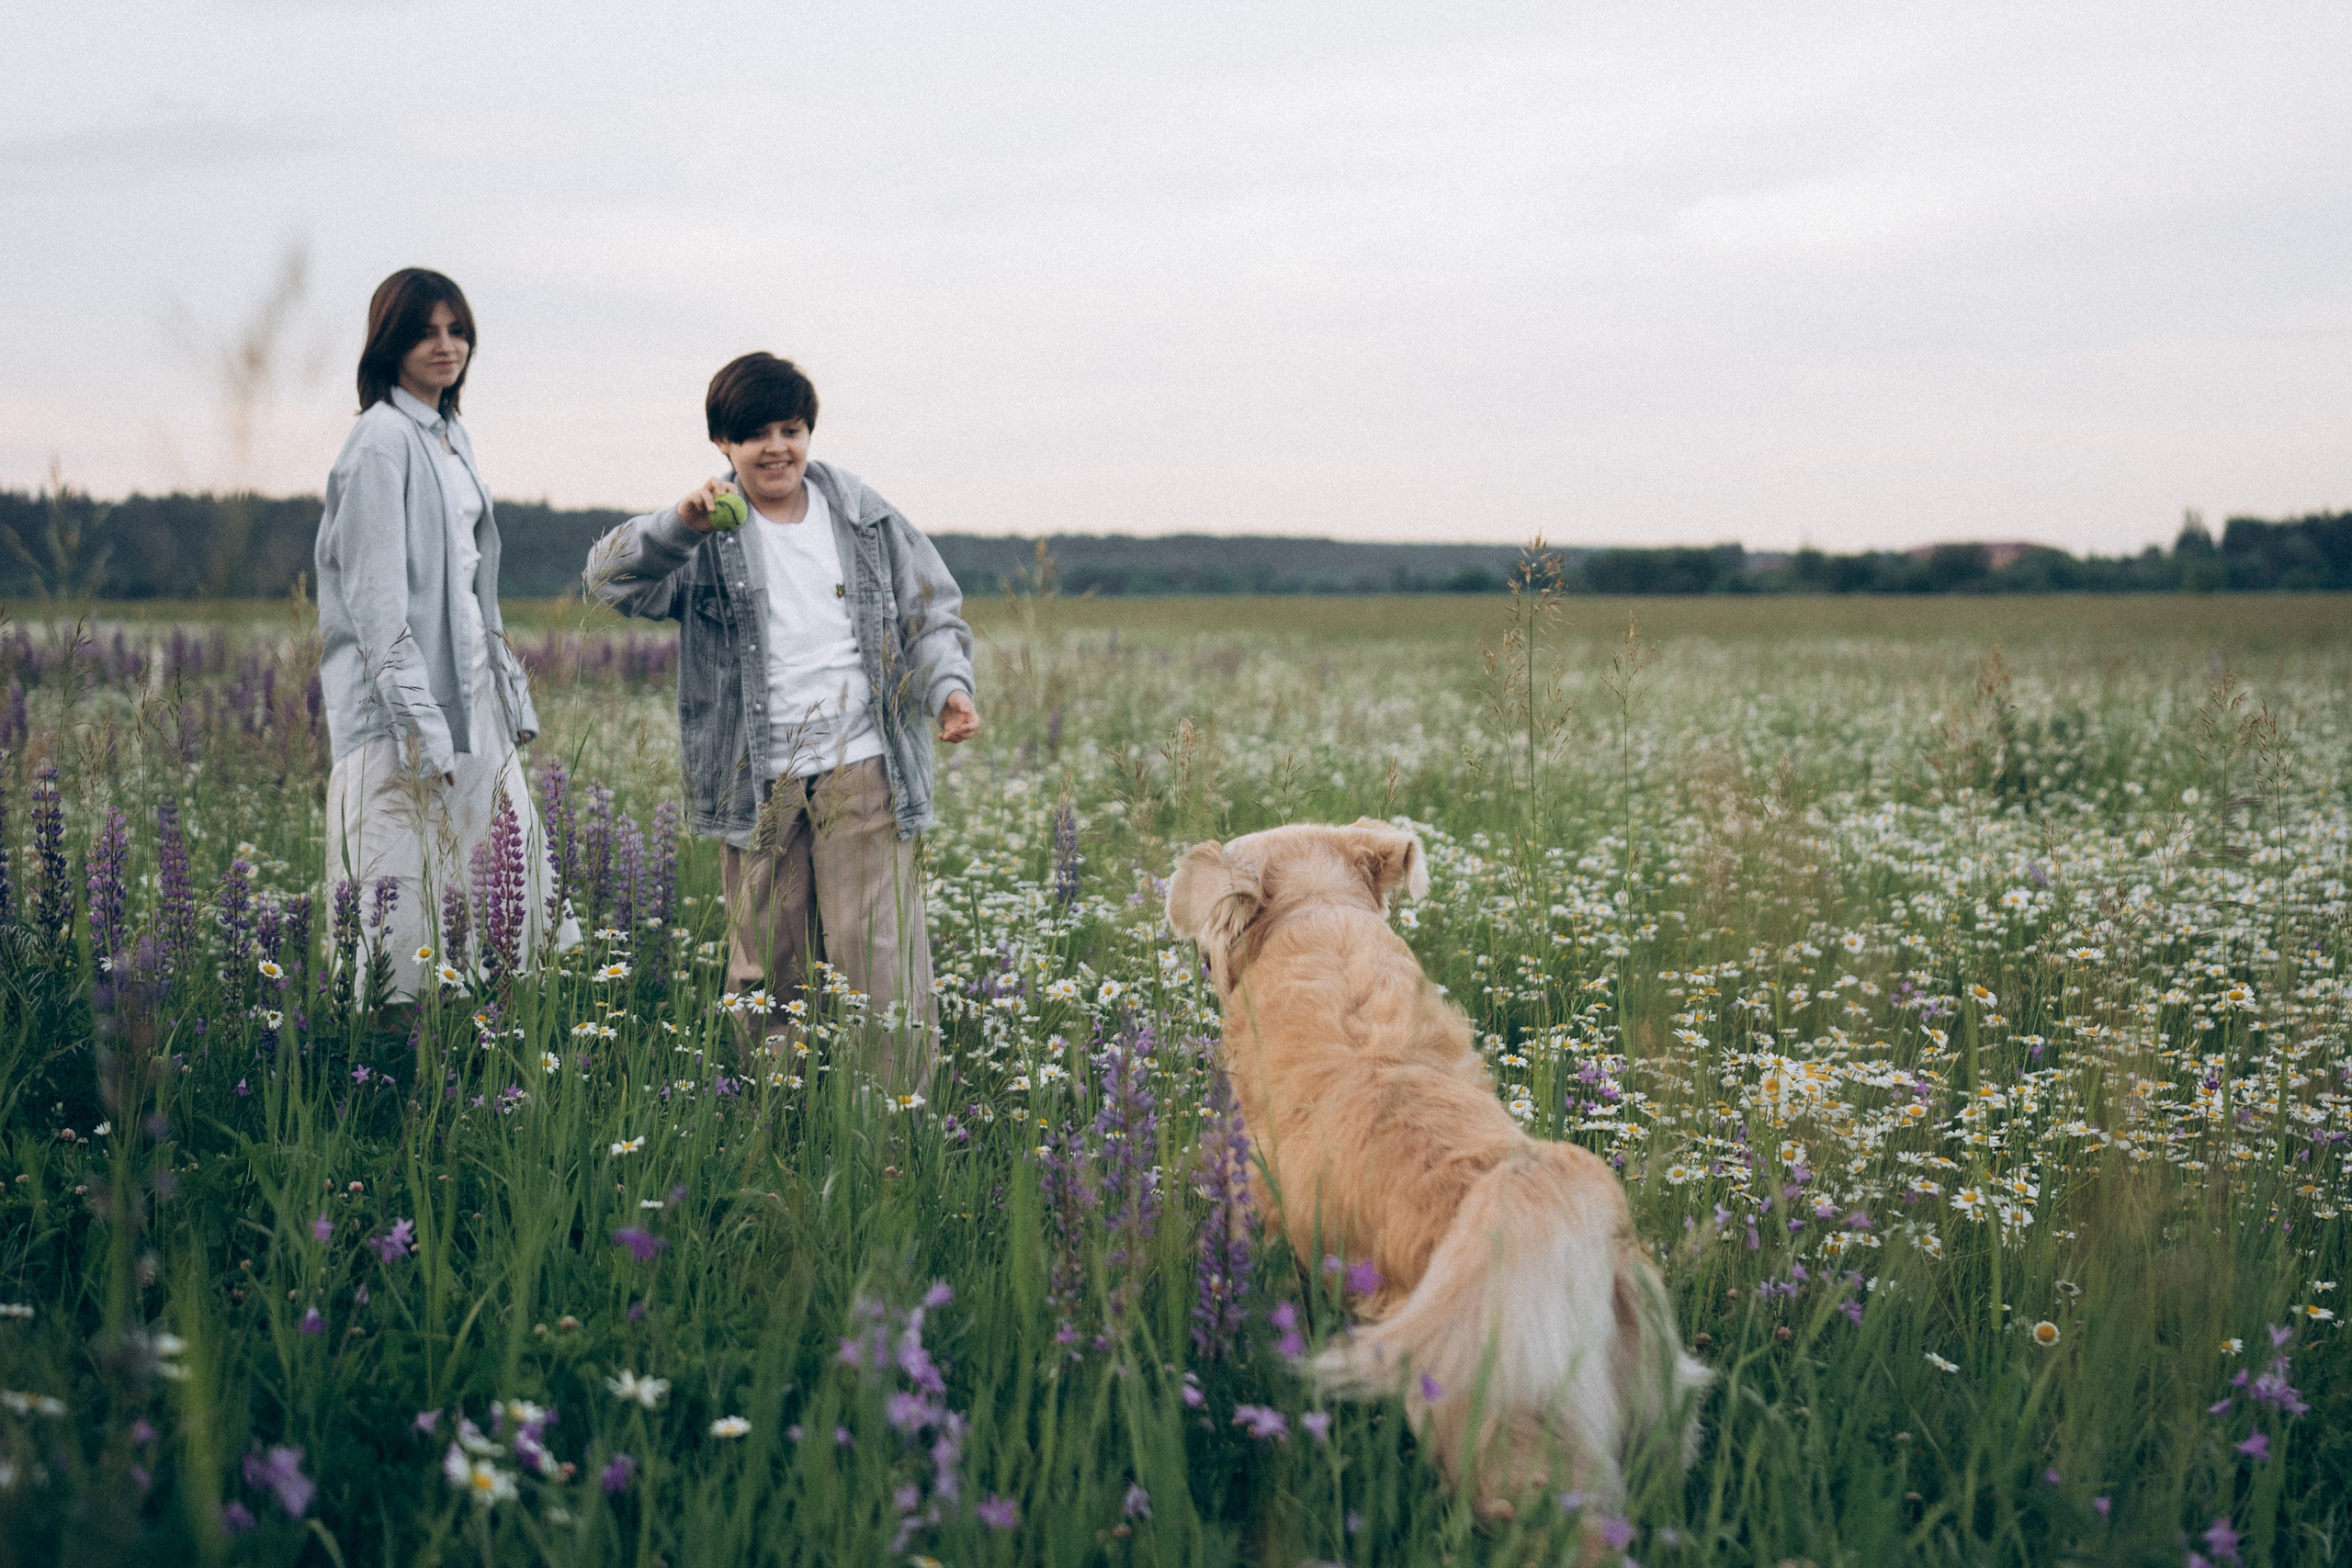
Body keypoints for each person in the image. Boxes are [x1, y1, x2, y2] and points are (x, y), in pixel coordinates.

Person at [584, 353, 977, 1086]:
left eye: (790, 429)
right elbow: (607, 579)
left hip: (864, 766)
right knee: (770, 968)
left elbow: (931, 608)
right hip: (757, 779)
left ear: (809, 433)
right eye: (754, 433)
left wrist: (948, 689)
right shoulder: (705, 531)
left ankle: (893, 1130)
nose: (776, 447)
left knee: (880, 962)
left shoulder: (861, 514)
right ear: (723, 445)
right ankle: (780, 1120)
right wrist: (679, 523)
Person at [315, 267, 556, 999]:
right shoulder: (381, 442)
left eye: (457, 330)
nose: (446, 346)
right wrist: (423, 727)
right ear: (390, 344)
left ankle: (478, 1065)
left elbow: (473, 592)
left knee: (502, 890)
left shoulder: (450, 435)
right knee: (397, 911)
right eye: (425, 332)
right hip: (403, 718)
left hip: (470, 702)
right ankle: (386, 1079)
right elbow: (378, 609)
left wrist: (505, 702)